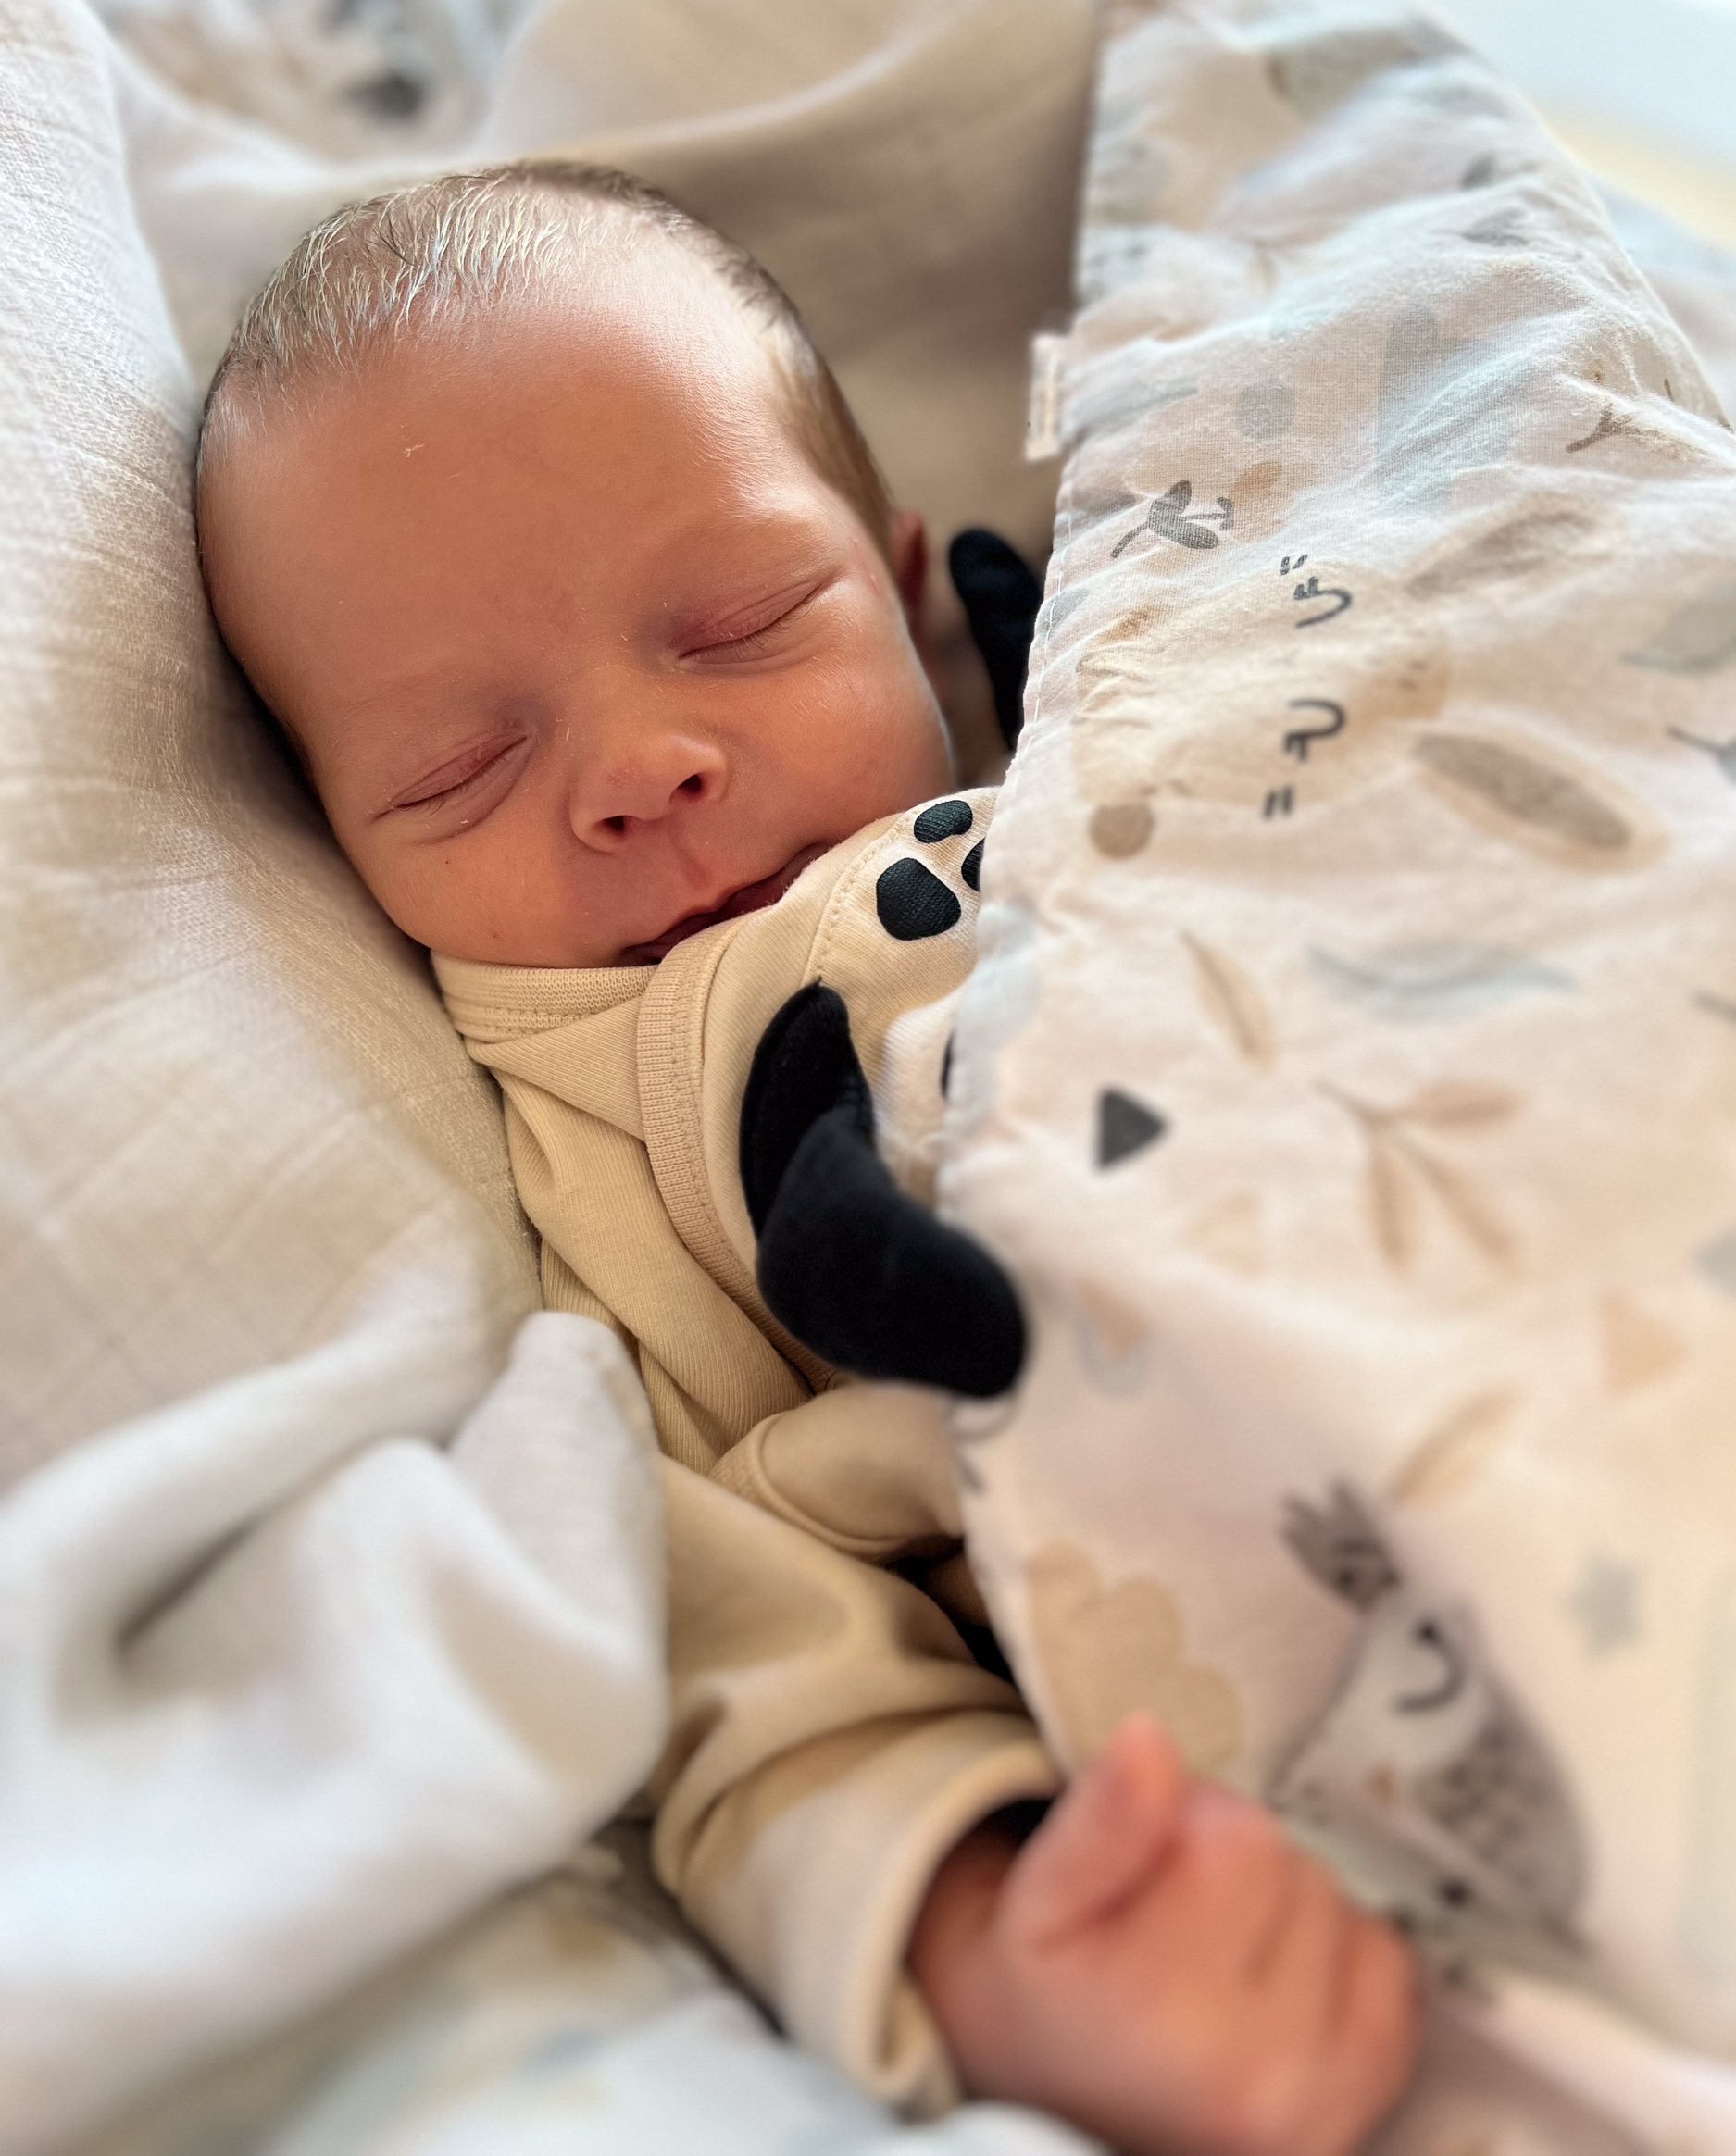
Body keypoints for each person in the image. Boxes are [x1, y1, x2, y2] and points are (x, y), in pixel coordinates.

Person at [196, 159, 1419, 2156]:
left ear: (912, 595)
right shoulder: (606, 1173)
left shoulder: (1101, 725)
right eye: (457, 770)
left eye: (743, 624)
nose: (636, 765)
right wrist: (988, 1945)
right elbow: (756, 1695)